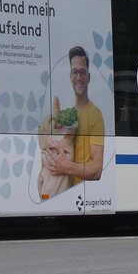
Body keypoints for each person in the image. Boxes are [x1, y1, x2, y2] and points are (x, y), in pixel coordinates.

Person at [42, 46, 106, 189]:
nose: (79, 77)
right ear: (70, 76)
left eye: (83, 72)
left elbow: (96, 169)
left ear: (88, 77)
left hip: (80, 194)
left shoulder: (95, 114)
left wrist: (66, 166)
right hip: (62, 192)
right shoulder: (68, 114)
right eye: (75, 72)